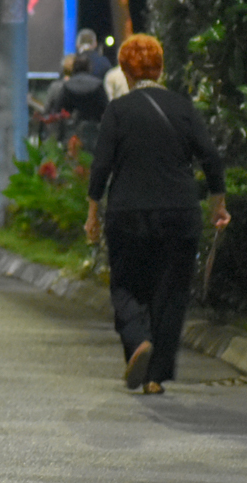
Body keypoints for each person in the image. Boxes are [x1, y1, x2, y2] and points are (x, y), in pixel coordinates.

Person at [85, 34, 229, 394]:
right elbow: (210, 156)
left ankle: (138, 341)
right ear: (161, 69)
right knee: (171, 293)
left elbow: (101, 166)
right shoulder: (182, 107)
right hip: (179, 212)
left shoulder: (118, 111)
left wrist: (92, 213)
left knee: (125, 285)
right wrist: (218, 204)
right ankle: (155, 377)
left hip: (128, 213)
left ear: (124, 71)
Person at [45, 53, 109, 153]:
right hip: (94, 134)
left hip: (71, 135)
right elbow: (106, 110)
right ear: (89, 68)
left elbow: (58, 110)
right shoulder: (98, 85)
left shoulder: (67, 85)